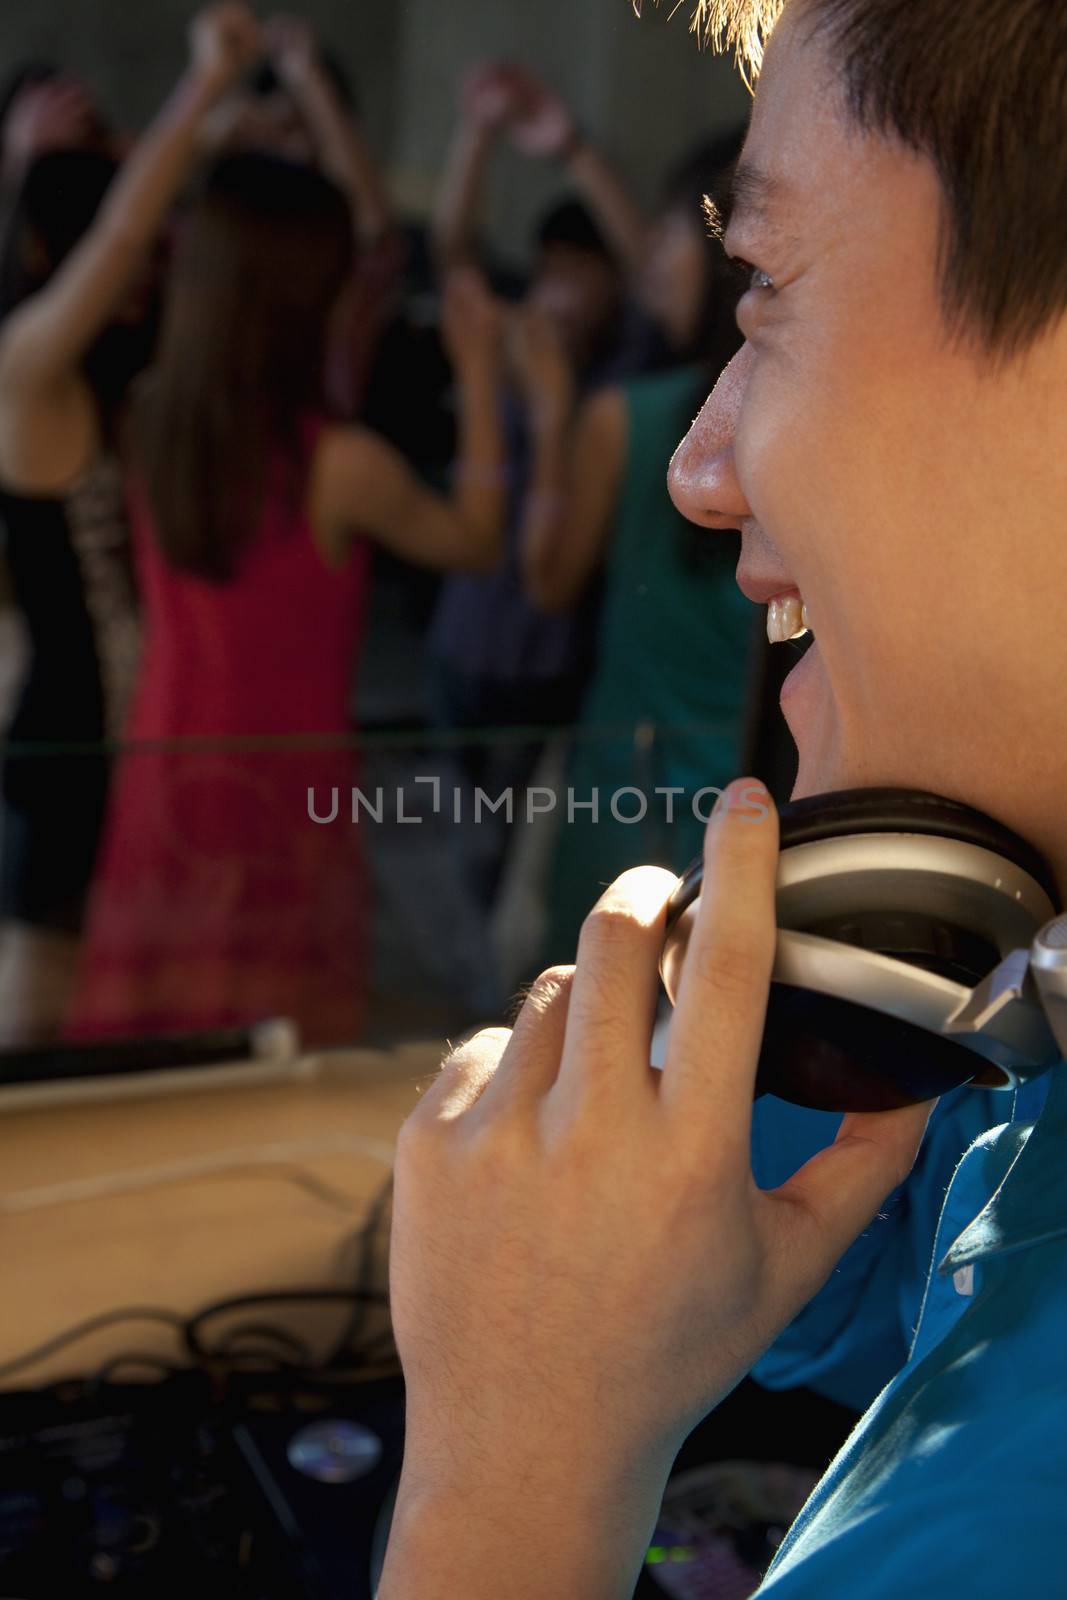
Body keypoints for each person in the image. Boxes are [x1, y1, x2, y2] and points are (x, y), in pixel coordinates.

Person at [376, 1, 1067, 1596]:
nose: (702, 469)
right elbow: (855, 1263)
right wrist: (775, 1024)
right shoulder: (1019, 1071)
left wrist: (509, 1476)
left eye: (763, 291)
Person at [0, 4, 506, 1045]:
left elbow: (145, 242)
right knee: (256, 1078)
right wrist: (487, 378)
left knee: (138, 1077)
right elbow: (474, 539)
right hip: (254, 809)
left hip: (158, 795)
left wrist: (214, 95)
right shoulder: (323, 460)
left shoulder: (146, 420)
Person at [522, 133, 761, 961]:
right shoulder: (799, 431)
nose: (649, 260)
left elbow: (547, 580)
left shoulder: (621, 422)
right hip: (751, 811)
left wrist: (550, 415)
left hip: (624, 801)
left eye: (665, 237)